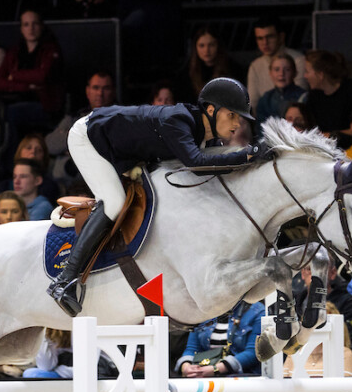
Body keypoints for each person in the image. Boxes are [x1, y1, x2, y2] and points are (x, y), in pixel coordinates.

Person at [47, 77, 258, 316]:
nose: (238, 123)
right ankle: (64, 280)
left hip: (121, 148)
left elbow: (210, 161)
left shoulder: (201, 133)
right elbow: (197, 163)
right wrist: (247, 156)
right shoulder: (178, 121)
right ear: (211, 110)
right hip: (89, 138)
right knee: (114, 201)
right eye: (232, 115)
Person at [0, 9, 66, 171]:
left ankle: (9, 167)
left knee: (11, 113)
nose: (31, 28)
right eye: (26, 24)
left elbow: (42, 76)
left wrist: (14, 75)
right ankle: (0, 162)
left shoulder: (51, 50)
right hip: (17, 101)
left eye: (35, 23)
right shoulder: (14, 52)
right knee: (3, 112)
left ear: (41, 26)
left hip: (46, 106)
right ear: (21, 28)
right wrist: (26, 85)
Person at [46, 71, 117, 189]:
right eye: (96, 88)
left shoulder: (122, 117)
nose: (100, 93)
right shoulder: (75, 116)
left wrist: (73, 144)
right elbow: (50, 144)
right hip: (70, 180)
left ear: (113, 91)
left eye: (106, 88)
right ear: (88, 91)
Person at [175, 300, 267, 377]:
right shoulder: (203, 310)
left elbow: (253, 352)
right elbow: (192, 349)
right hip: (203, 375)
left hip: (240, 379)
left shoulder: (257, 311)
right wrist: (186, 367)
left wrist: (216, 369)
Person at [302, 50, 352, 135]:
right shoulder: (314, 96)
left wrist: (329, 136)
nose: (305, 76)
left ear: (320, 75)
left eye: (307, 72)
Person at [247, 16, 307, 110]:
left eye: (270, 37)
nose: (265, 43)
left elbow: (299, 99)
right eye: (260, 38)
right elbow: (253, 104)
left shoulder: (299, 60)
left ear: (281, 37)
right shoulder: (255, 66)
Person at [183, 26, 243, 100]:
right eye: (201, 46)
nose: (206, 50)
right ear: (195, 47)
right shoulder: (187, 72)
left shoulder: (232, 69)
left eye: (211, 45)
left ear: (218, 45)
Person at [256, 53, 304, 123]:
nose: (281, 74)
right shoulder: (265, 99)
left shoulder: (303, 97)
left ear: (294, 73)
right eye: (276, 69)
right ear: (270, 73)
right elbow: (261, 128)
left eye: (287, 70)